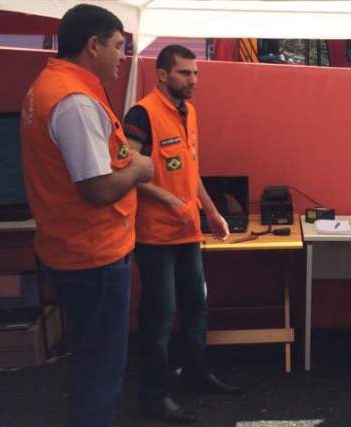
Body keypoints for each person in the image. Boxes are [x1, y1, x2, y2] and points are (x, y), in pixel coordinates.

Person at [20, 4, 154, 427]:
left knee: (89, 363)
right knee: (101, 370)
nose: (122, 56)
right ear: (92, 45)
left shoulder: (52, 85)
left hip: (71, 248)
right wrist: (140, 167)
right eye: (118, 46)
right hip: (93, 254)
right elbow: (97, 189)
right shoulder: (74, 101)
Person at [123, 45, 241, 425]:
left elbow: (192, 170)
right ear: (162, 75)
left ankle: (196, 373)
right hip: (155, 238)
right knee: (159, 317)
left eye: (195, 74)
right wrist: (168, 199)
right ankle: (153, 398)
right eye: (184, 73)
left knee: (196, 308)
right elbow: (125, 172)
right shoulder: (142, 114)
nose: (192, 80)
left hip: (189, 234)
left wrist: (212, 210)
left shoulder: (188, 112)